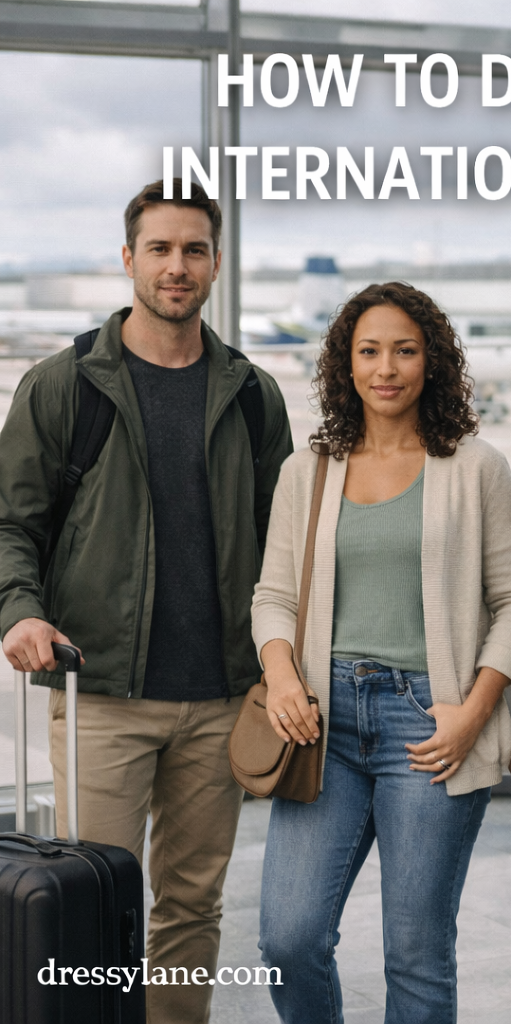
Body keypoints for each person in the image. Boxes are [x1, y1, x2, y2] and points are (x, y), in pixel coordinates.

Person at [0, 179, 293, 1024]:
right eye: (159, 249)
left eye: (193, 250)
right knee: (94, 904)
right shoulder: (65, 386)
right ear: (128, 258)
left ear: (216, 263)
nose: (177, 266)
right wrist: (20, 611)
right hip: (102, 695)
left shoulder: (249, 394)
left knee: (191, 908)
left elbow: (282, 544)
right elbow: (11, 523)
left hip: (219, 699)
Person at [252, 281, 511, 1024]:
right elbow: (273, 596)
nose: (387, 368)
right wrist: (281, 676)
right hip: (323, 722)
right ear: (345, 366)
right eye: (369, 351)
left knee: (415, 954)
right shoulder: (305, 471)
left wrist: (476, 713)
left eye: (405, 351)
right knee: (288, 937)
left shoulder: (476, 468)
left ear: (431, 362)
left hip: (430, 723)